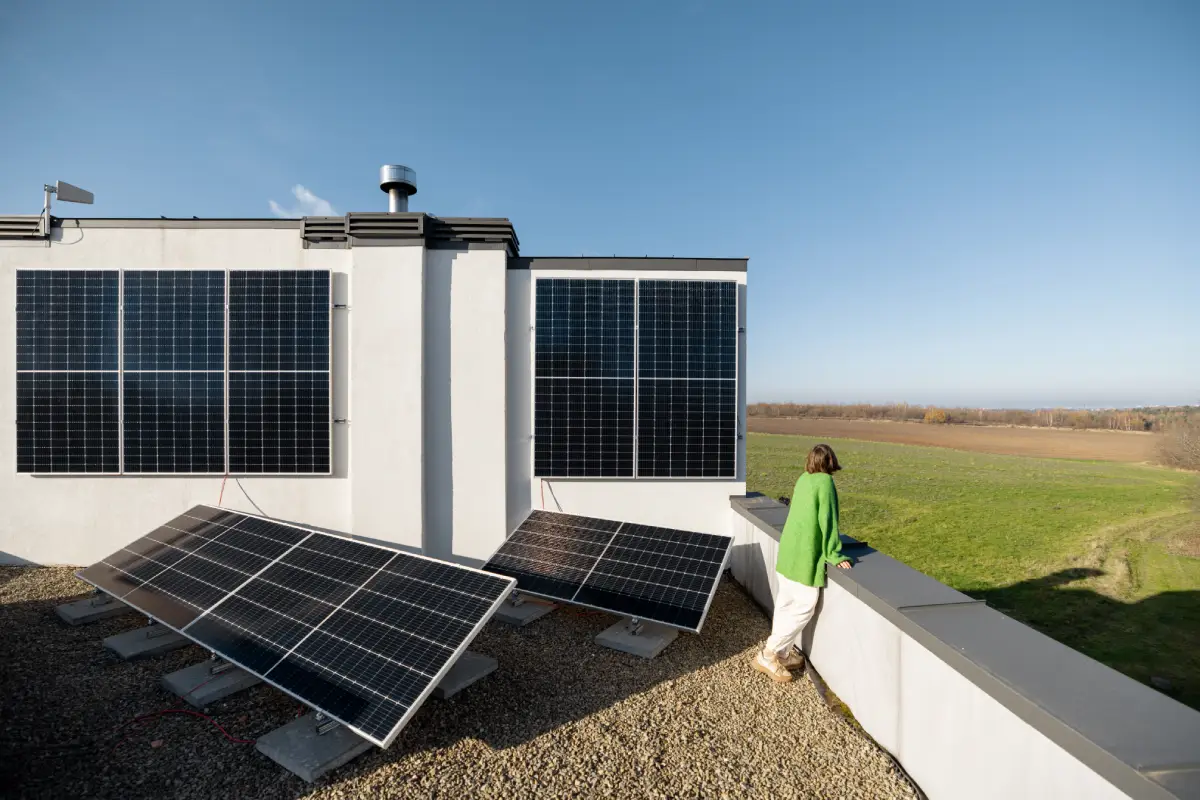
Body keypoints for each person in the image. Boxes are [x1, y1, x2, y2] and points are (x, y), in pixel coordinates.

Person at [753, 443, 853, 682]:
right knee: (805, 605)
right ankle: (769, 653)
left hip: (788, 552)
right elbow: (827, 522)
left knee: (785, 604)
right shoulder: (825, 483)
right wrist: (835, 554)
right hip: (805, 556)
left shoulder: (803, 479)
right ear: (830, 461)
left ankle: (782, 653)